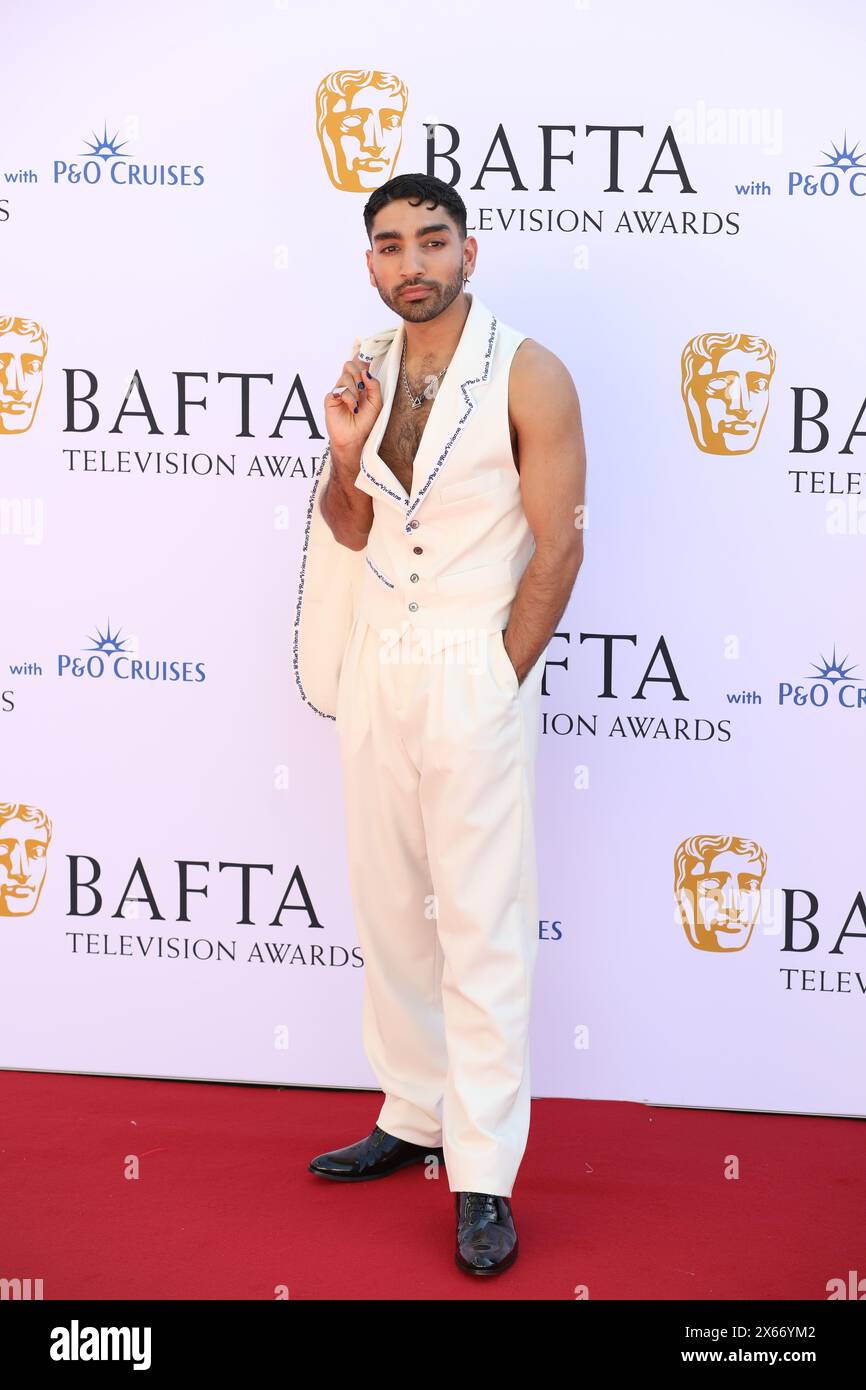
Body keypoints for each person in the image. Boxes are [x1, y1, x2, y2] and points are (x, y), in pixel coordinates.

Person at [305, 172, 586, 1276]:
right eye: (387, 246)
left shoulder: (530, 371)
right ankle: (412, 1108)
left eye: (430, 241)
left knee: (480, 920)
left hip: (472, 663)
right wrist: (339, 455)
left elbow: (558, 545)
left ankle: (480, 1175)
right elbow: (348, 524)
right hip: (378, 662)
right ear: (369, 260)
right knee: (389, 902)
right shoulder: (363, 371)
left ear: (470, 251)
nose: (408, 263)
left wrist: (499, 672)